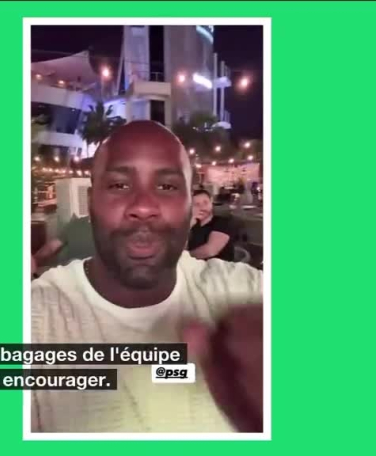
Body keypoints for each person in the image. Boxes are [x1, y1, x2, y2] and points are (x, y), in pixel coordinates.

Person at [31, 121, 262, 433]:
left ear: (190, 207)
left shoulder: (247, 296)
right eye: (119, 185)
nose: (143, 207)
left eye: (167, 186)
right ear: (91, 203)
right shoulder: (36, 319)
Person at [188, 189, 236, 261]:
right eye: (197, 204)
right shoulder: (192, 224)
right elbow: (180, 248)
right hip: (195, 265)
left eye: (205, 202)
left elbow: (210, 251)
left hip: (218, 266)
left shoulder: (222, 222)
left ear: (211, 202)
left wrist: (185, 257)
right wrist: (189, 225)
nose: (202, 207)